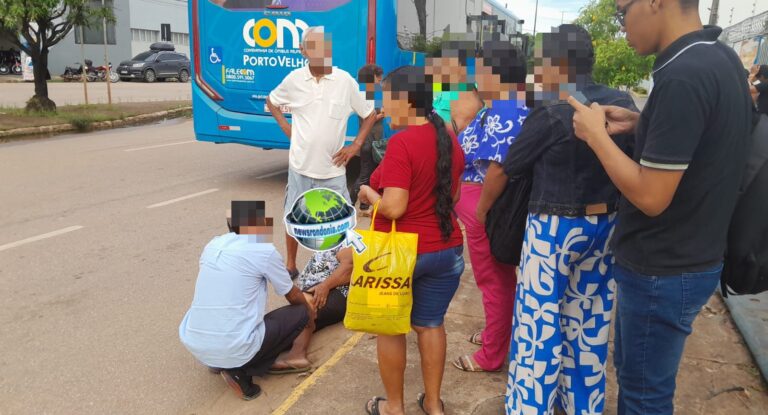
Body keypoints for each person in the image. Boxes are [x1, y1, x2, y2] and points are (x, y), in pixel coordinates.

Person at [568, 1, 753, 412]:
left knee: (643, 397)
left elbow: (651, 196)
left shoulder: (682, 76)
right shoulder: (717, 56)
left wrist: (596, 136)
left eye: (621, 12)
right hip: (693, 254)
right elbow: (708, 138)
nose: (622, 26)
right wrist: (640, 125)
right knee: (644, 383)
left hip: (662, 266)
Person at [477, 24, 638, 414]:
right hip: (606, 226)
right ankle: (582, 406)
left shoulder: (551, 109)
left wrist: (482, 213)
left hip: (553, 229)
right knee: (589, 323)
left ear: (553, 65)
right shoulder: (622, 103)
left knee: (538, 321)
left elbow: (507, 168)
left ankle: (529, 407)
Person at [357, 65, 465, 415]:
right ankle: (433, 405)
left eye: (387, 100)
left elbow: (393, 207)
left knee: (390, 329)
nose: (384, 109)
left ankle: (395, 408)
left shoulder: (402, 142)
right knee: (430, 325)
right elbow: (455, 194)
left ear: (406, 100)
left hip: (402, 255)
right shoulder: (448, 137)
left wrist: (368, 193)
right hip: (447, 251)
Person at [267, 26, 379, 279]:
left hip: (332, 170)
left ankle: (339, 270)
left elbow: (369, 114)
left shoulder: (344, 81)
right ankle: (291, 264)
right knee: (293, 217)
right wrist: (287, 127)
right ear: (303, 51)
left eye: (325, 46)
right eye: (314, 46)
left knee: (339, 223)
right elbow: (271, 100)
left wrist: (356, 145)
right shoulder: (294, 80)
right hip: (300, 167)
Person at [178, 201, 316, 401]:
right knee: (300, 311)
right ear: (260, 226)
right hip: (234, 347)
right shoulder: (263, 250)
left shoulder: (213, 244)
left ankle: (217, 361)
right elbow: (292, 294)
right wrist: (310, 315)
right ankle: (240, 371)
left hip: (195, 343)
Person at [450, 39, 528, 374]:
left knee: (493, 279)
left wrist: (480, 211)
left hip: (483, 203)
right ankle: (495, 333)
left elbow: (498, 167)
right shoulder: (498, 105)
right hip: (476, 201)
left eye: (480, 69)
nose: (476, 76)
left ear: (497, 72)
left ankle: (492, 354)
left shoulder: (508, 107)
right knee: (495, 279)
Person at [350, 64, 385, 215]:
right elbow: (367, 118)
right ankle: (349, 203)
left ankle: (363, 206)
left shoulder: (366, 92)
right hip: (368, 141)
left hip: (370, 140)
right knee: (365, 175)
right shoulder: (365, 93)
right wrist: (381, 114)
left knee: (370, 174)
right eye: (378, 77)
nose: (380, 81)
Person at [295, 246, 354, 335]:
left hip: (334, 289)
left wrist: (325, 286)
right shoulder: (328, 237)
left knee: (301, 318)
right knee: (295, 317)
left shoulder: (347, 238)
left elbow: (349, 267)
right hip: (311, 286)